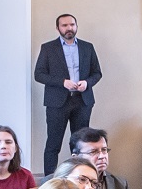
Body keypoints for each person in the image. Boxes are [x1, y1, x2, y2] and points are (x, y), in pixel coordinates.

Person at [33, 13, 102, 172]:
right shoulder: (48, 48)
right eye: (64, 25)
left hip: (82, 101)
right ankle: (49, 180)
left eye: (72, 24)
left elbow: (97, 73)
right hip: (57, 102)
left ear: (76, 26)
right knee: (53, 144)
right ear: (58, 28)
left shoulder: (87, 47)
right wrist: (62, 82)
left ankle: (81, 176)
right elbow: (39, 74)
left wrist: (87, 83)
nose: (69, 28)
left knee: (82, 144)